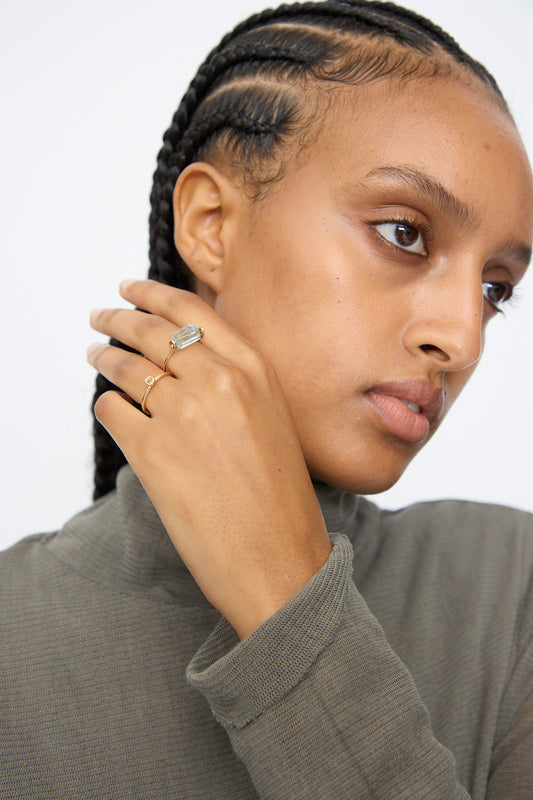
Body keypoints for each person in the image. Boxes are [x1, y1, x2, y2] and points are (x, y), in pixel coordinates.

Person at [1, 0, 532, 797]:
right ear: (211, 223)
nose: (461, 336)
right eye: (402, 233)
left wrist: (289, 598)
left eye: (495, 288)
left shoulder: (511, 590)